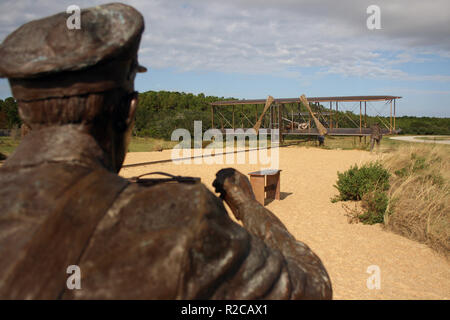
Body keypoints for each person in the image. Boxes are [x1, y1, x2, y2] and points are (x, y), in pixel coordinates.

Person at [0, 3, 332, 299]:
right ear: (130, 111)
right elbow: (312, 287)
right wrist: (246, 204)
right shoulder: (183, 221)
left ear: (24, 115)